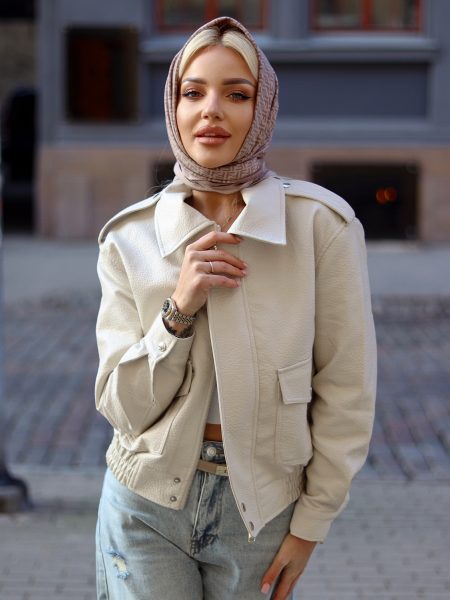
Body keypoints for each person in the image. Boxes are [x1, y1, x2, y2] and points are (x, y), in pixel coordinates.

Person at [94, 16, 376, 600]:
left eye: (237, 94)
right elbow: (122, 407)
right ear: (173, 106)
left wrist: (312, 524)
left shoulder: (321, 227)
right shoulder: (129, 238)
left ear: (263, 108)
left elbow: (347, 390)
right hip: (145, 504)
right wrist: (179, 308)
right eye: (193, 92)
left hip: (262, 510)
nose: (211, 111)